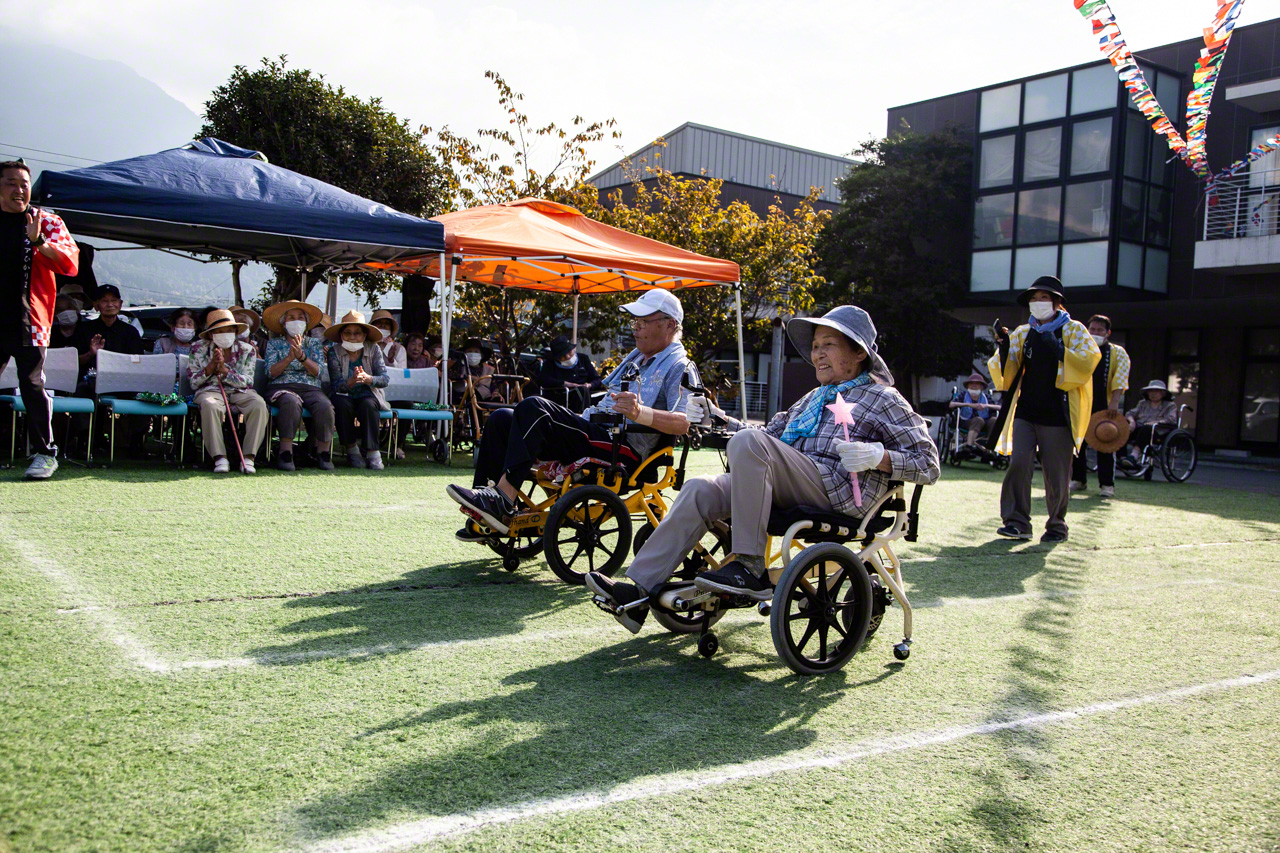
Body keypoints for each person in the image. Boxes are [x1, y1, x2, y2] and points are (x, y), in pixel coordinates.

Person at [585, 304, 939, 633]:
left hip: (840, 493)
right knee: (700, 488)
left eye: (828, 345)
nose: (817, 353)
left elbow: (929, 463)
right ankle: (638, 592)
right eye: (815, 346)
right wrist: (714, 417)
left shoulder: (884, 398)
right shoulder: (812, 398)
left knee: (748, 445)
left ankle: (749, 565)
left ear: (860, 352)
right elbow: (763, 437)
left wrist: (879, 457)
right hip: (794, 482)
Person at [446, 289, 692, 540]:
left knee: (534, 407)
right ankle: (483, 506)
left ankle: (502, 499)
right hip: (597, 432)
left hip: (623, 448)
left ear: (670, 324)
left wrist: (640, 412)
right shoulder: (637, 360)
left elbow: (684, 423)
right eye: (635, 322)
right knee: (501, 419)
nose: (636, 328)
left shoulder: (679, 366)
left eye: (643, 322)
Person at [989, 276, 1101, 543]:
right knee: (1018, 464)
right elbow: (1006, 370)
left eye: (1044, 298)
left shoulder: (1074, 329)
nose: (1038, 303)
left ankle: (1056, 526)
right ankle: (1017, 522)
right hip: (1026, 410)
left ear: (1057, 302)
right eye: (1034, 298)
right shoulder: (1023, 332)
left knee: (1056, 474)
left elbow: (1089, 360)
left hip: (1058, 413)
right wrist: (1003, 345)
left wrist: (1059, 349)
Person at [0, 160, 79, 479]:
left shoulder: (46, 221)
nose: (20, 190)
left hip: (29, 317)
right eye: (11, 183)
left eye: (24, 184)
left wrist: (38, 242)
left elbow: (70, 264)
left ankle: (46, 453)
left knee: (32, 384)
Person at [186, 309, 268, 474]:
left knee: (259, 405)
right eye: (220, 331)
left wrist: (225, 371)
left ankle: (249, 457)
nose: (225, 334)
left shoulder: (248, 350)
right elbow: (194, 383)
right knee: (210, 405)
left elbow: (247, 381)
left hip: (239, 391)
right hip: (210, 389)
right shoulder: (197, 348)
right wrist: (210, 368)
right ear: (211, 334)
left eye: (230, 330)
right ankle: (220, 457)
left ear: (236, 332)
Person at [262, 299, 336, 471]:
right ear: (284, 323)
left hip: (310, 388)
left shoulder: (314, 343)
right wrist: (289, 357)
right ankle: (285, 452)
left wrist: (302, 357)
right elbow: (270, 372)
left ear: (306, 323)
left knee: (325, 405)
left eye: (300, 317)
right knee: (291, 402)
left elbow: (318, 371)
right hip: (282, 386)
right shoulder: (274, 344)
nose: (296, 321)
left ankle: (323, 452)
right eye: (291, 317)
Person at [1070, 314, 1130, 498]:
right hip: (1080, 403)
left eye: (1100, 330)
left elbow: (1120, 378)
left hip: (1105, 405)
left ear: (1107, 333)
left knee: (1106, 442)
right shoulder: (1079, 349)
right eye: (1092, 329)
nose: (1095, 333)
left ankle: (1107, 484)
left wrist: (1115, 402)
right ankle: (1079, 479)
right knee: (1078, 444)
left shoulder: (1118, 352)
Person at [325, 310, 390, 470]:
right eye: (347, 333)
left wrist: (368, 379)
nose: (352, 337)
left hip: (368, 393)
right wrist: (351, 382)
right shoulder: (334, 351)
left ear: (364, 335)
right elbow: (336, 384)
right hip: (343, 394)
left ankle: (373, 452)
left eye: (357, 333)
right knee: (341, 404)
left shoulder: (374, 349)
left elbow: (384, 379)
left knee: (368, 405)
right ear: (341, 335)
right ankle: (352, 450)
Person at [537, 335, 604, 412]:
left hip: (586, 393)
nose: (568, 356)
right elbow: (543, 380)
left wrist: (589, 385)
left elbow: (597, 379)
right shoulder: (550, 364)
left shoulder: (583, 359)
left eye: (569, 352)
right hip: (563, 395)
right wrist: (566, 384)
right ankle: (582, 417)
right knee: (581, 391)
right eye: (563, 356)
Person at [1123, 380, 1179, 463]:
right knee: (1123, 430)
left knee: (1146, 429)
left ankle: (1134, 455)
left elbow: (1172, 419)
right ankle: (1122, 458)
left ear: (1163, 393)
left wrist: (1156, 422)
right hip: (1139, 428)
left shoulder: (1170, 405)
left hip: (1157, 432)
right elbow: (1130, 413)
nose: (1153, 393)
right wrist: (1132, 422)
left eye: (1156, 391)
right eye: (1151, 391)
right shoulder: (1143, 403)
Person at [948, 372, 998, 451]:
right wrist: (968, 404)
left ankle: (989, 447)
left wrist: (986, 405)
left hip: (985, 423)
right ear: (968, 385)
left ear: (981, 386)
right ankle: (969, 447)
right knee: (978, 420)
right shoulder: (963, 395)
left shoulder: (986, 397)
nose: (974, 385)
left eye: (977, 383)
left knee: (994, 420)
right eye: (971, 383)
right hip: (966, 421)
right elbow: (951, 404)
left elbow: (1000, 407)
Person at [452, 337, 502, 403]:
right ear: (464, 354)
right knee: (472, 395)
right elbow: (451, 376)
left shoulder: (490, 369)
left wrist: (495, 393)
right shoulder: (459, 367)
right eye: (469, 351)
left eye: (476, 351)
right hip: (465, 396)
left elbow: (494, 386)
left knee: (498, 399)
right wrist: (468, 378)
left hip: (486, 397)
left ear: (481, 355)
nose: (473, 354)